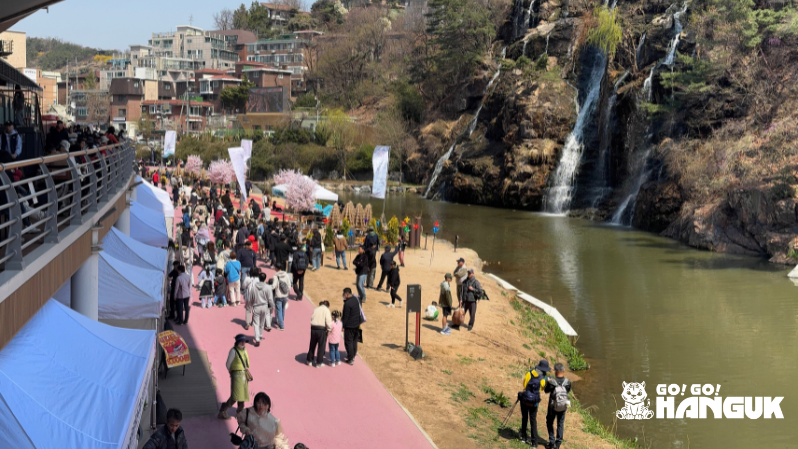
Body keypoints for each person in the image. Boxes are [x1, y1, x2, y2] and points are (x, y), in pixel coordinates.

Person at [219, 334, 250, 420]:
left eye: (244, 341)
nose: (244, 343)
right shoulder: (233, 351)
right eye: (242, 341)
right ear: (237, 342)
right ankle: (223, 410)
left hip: (243, 375)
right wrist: (232, 372)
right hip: (236, 375)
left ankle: (239, 412)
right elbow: (228, 364)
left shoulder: (244, 350)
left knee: (242, 395)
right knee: (235, 396)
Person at [519, 360, 550, 445]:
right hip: (534, 403)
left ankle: (524, 438)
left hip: (525, 400)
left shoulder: (529, 373)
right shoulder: (543, 378)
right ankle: (534, 443)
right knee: (533, 421)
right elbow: (542, 389)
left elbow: (524, 385)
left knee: (524, 418)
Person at [544, 363, 571, 449]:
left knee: (549, 422)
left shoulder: (552, 382)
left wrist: (548, 382)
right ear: (564, 370)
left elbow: (546, 390)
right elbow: (568, 391)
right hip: (563, 406)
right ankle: (558, 444)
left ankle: (552, 441)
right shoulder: (567, 382)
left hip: (552, 407)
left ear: (555, 371)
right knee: (560, 423)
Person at [250, 272, 274, 346]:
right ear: (265, 279)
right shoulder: (268, 287)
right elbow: (270, 299)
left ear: (258, 278)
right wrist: (272, 306)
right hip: (264, 306)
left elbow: (251, 298)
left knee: (256, 323)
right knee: (262, 322)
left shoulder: (253, 287)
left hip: (256, 306)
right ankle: (260, 335)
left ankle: (257, 338)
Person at [307, 300, 332, 367]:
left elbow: (312, 318)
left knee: (312, 344)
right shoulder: (326, 310)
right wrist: (329, 329)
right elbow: (328, 321)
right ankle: (319, 362)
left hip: (313, 328)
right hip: (321, 330)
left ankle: (309, 360)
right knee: (321, 346)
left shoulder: (316, 309)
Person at [341, 288, 362, 365]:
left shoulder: (347, 304)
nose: (343, 296)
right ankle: (353, 355)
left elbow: (345, 317)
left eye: (343, 294)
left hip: (349, 326)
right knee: (354, 341)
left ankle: (350, 358)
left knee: (348, 342)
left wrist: (342, 326)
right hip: (356, 325)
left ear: (347, 294)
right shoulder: (356, 299)